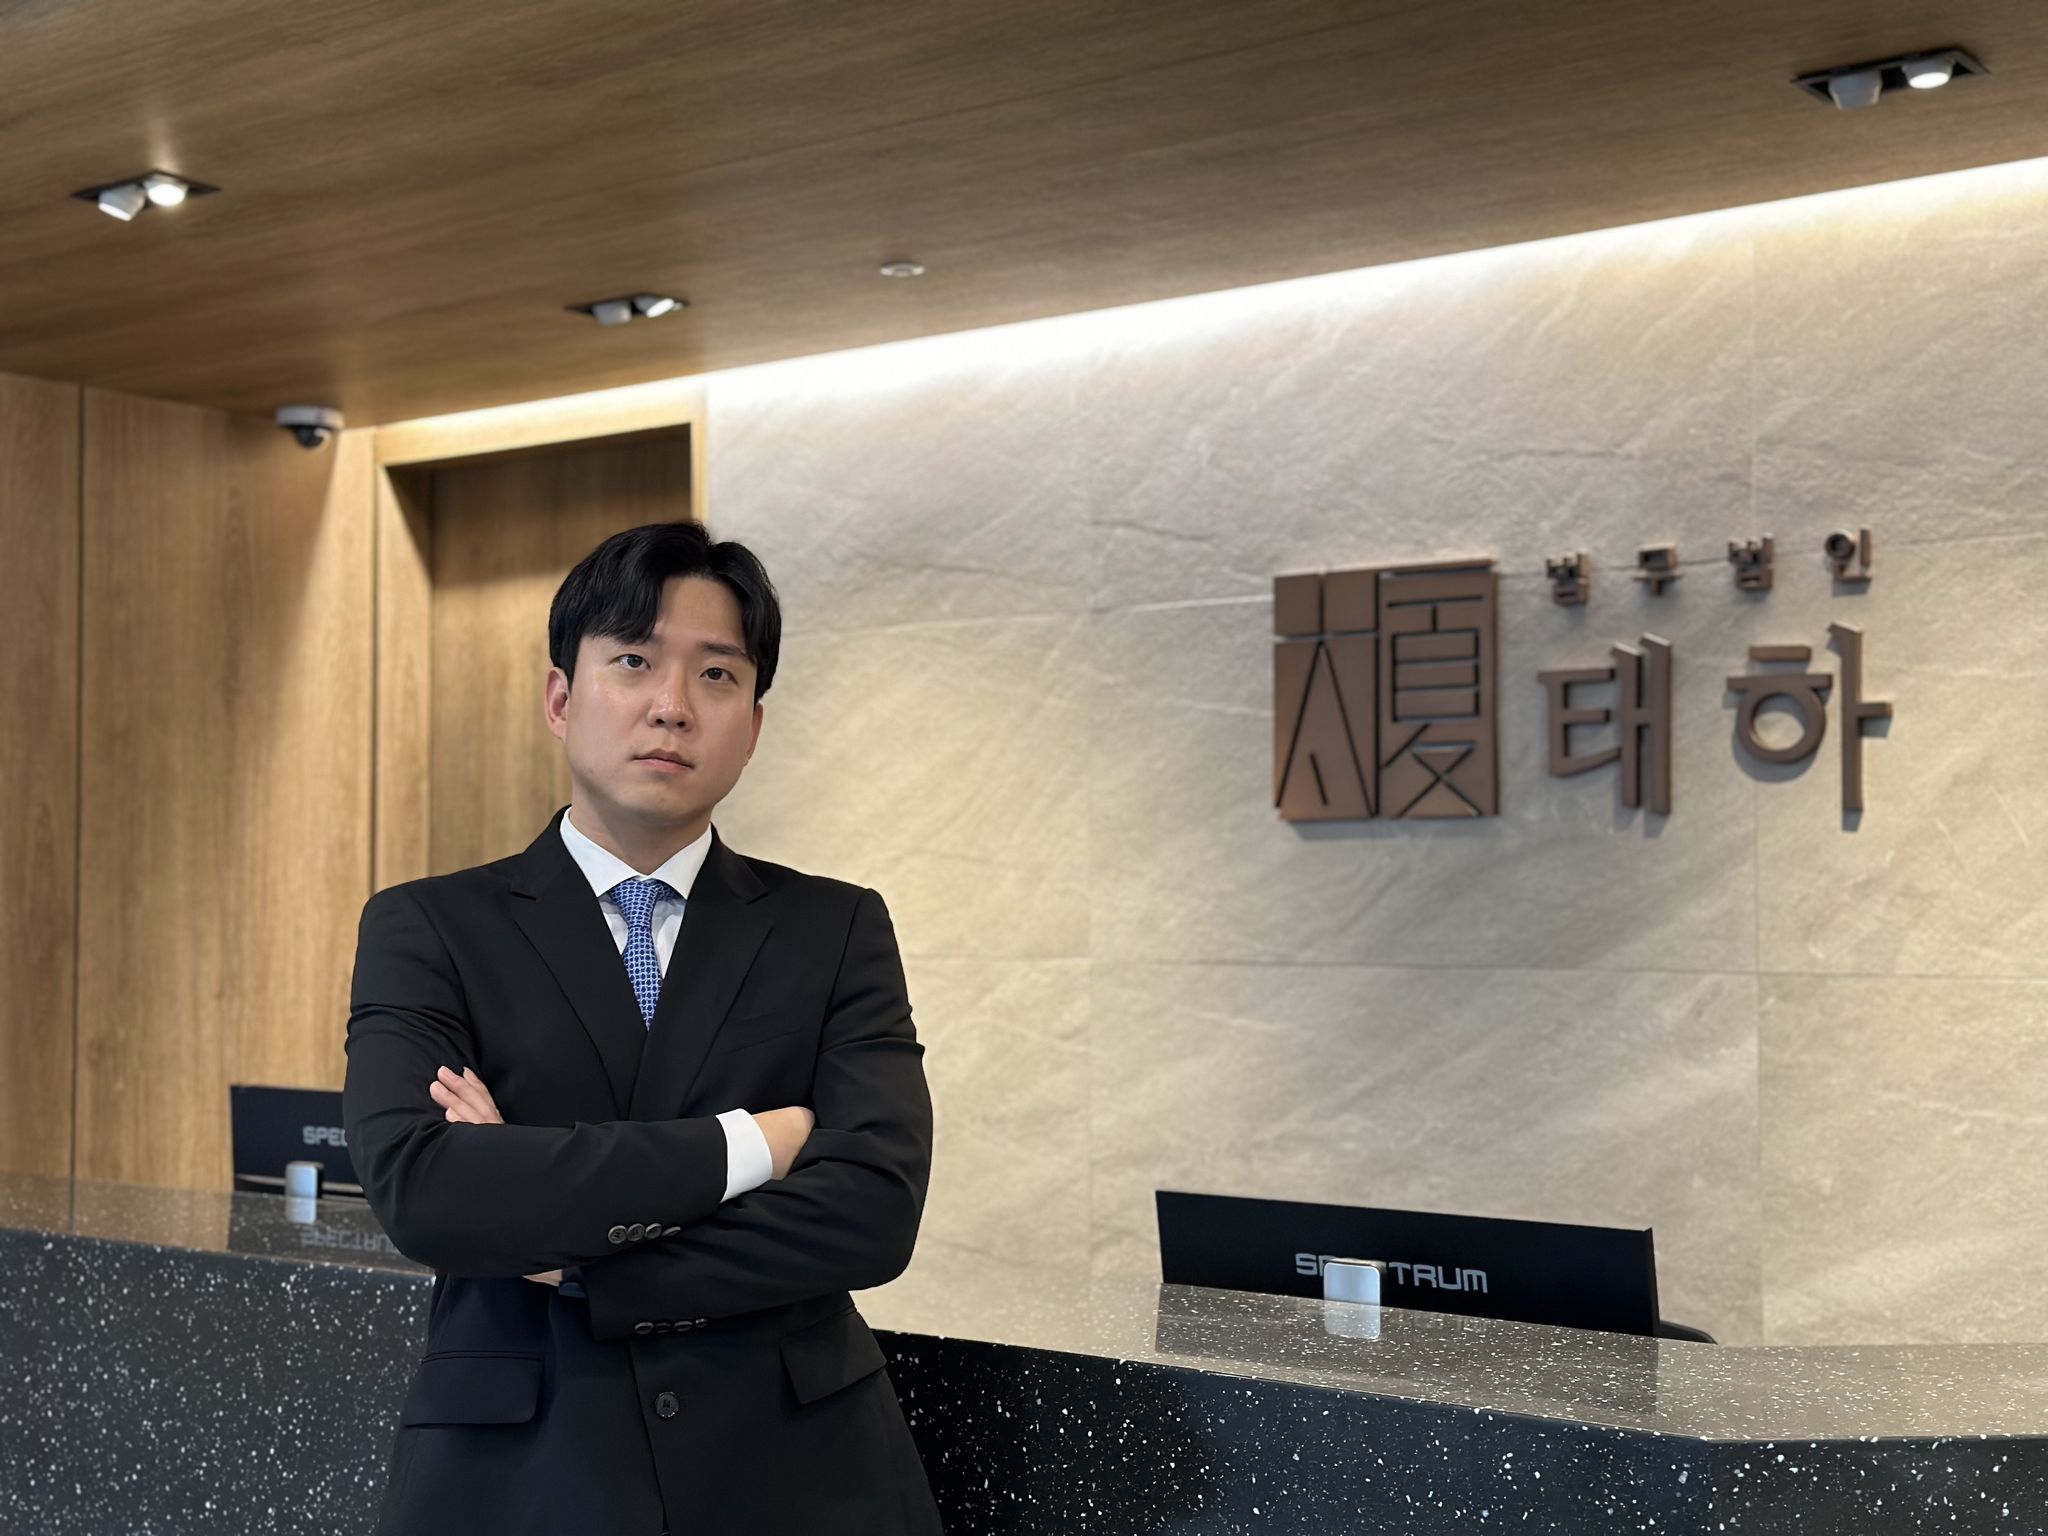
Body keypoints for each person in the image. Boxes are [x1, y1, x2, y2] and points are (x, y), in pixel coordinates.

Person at [342, 520, 942, 1535]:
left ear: (753, 726)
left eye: (716, 675)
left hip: (798, 1474)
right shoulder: (430, 927)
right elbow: (427, 1189)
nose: (672, 704)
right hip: (522, 1476)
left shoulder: (834, 928)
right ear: (559, 699)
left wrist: (573, 1256)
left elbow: (872, 1211)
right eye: (633, 661)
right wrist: (754, 1145)